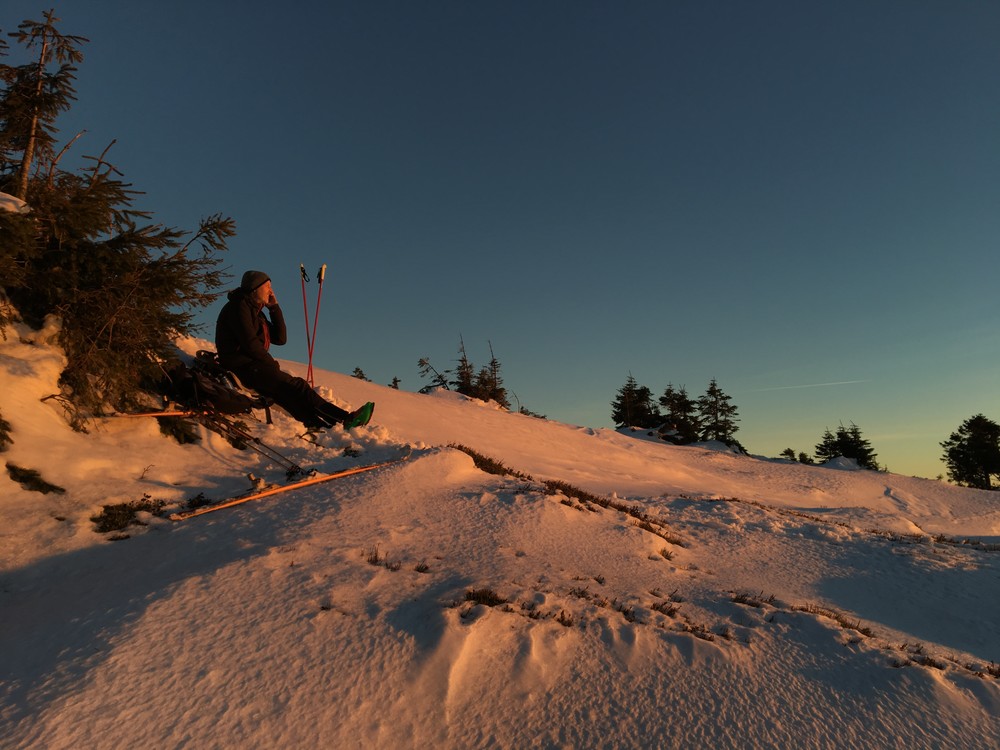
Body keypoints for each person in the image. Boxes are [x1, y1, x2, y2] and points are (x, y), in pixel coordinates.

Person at [215, 270, 374, 430]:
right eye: (267, 286)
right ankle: (345, 419)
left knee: (289, 397)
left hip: (253, 367)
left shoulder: (256, 313)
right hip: (242, 367)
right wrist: (271, 365)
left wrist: (274, 308)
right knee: (299, 387)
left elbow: (280, 338)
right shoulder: (238, 307)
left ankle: (322, 429)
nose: (271, 291)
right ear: (254, 288)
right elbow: (250, 344)